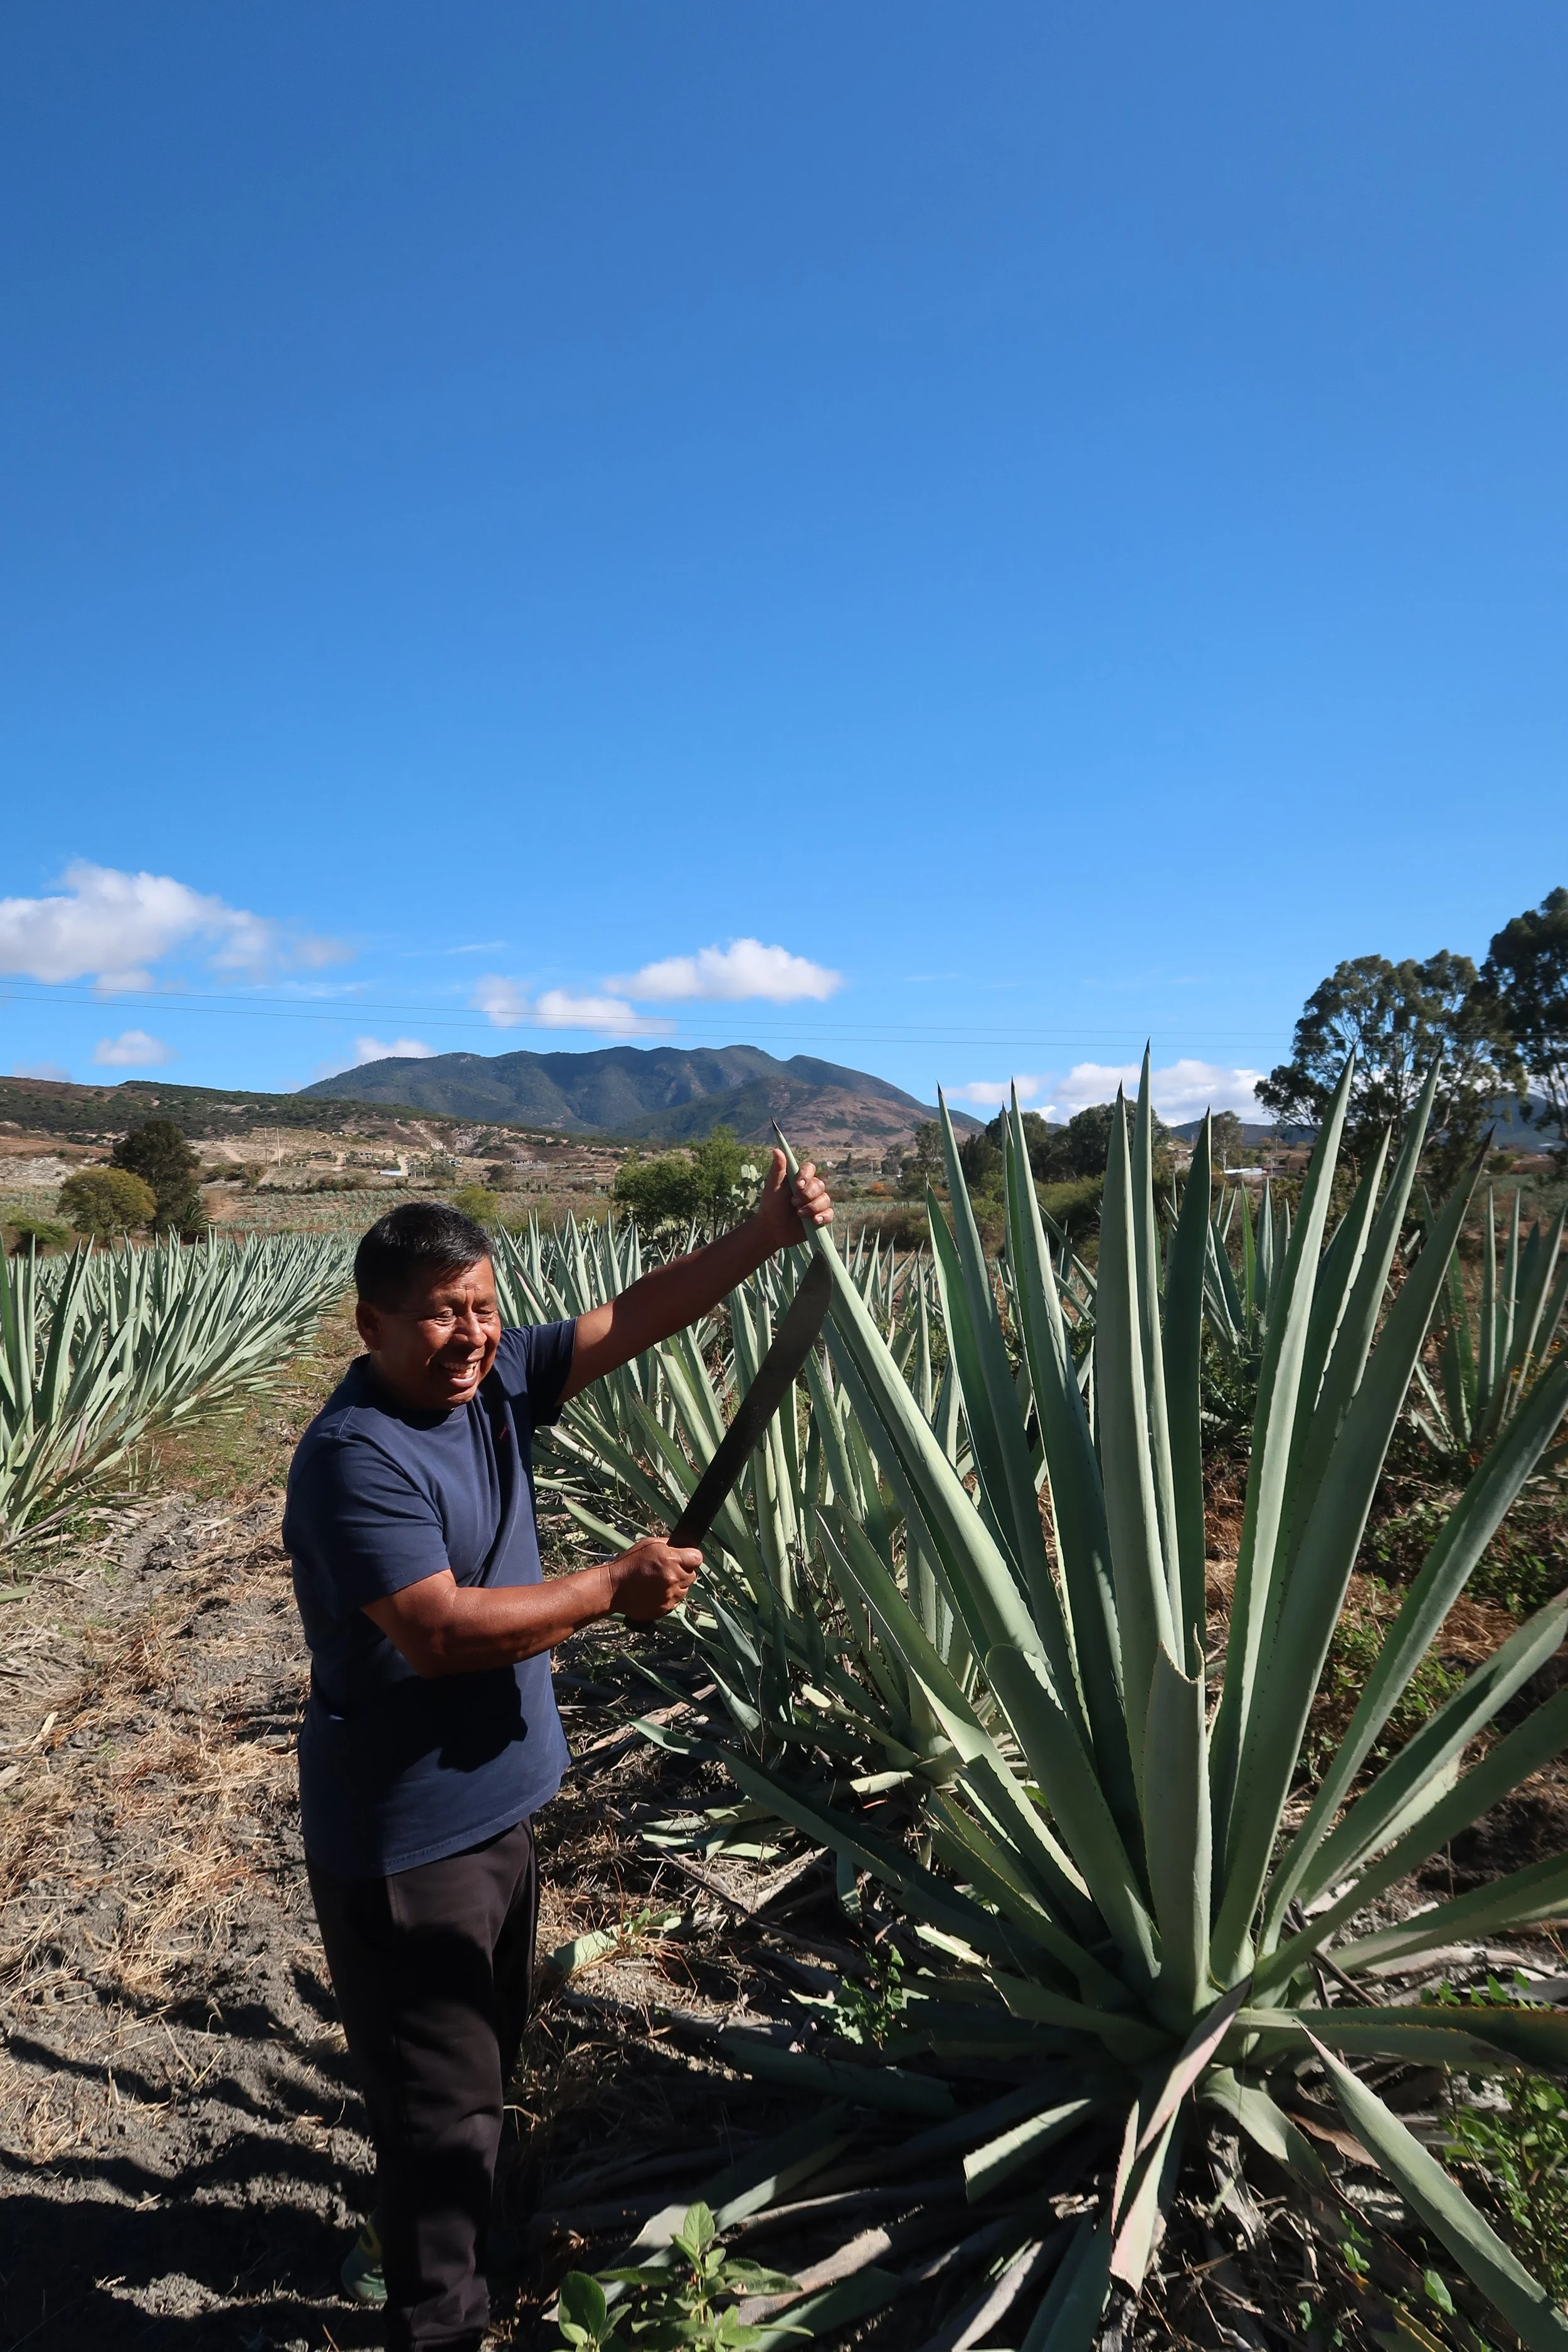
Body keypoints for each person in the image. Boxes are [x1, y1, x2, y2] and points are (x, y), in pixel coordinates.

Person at [282, 1150, 833, 2352]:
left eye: (482, 1305)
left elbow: (631, 1314)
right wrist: (608, 1587)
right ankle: (442, 2316)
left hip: (497, 1814)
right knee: (443, 2118)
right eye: (439, 1311)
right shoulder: (355, 1457)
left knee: (476, 2078)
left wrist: (764, 1235)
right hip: (408, 1841)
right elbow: (436, 1632)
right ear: (371, 1321)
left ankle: (462, 2246)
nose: (470, 1332)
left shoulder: (491, 1384)